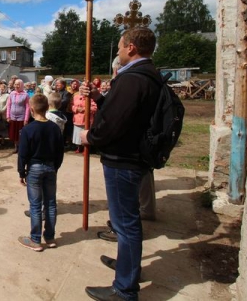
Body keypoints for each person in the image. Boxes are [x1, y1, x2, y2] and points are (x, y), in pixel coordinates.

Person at [79, 27, 161, 301]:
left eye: (120, 46)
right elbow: (122, 112)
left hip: (123, 160)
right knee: (127, 221)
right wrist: (100, 98)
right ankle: (128, 267)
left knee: (125, 224)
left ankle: (124, 289)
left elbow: (115, 123)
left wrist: (90, 136)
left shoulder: (133, 79)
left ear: (132, 48)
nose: (117, 51)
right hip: (131, 158)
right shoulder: (146, 75)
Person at [17, 94, 64, 252]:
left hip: (35, 168)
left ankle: (35, 239)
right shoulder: (54, 128)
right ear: (47, 108)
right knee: (50, 204)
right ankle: (50, 237)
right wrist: (55, 167)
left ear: (31, 109)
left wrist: (21, 172)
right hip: (50, 167)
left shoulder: (28, 129)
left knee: (36, 205)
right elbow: (60, 152)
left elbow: (22, 154)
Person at [71, 80, 97, 154]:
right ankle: (79, 147)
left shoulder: (90, 97)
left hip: (86, 119)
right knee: (78, 134)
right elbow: (71, 106)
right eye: (81, 88)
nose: (82, 90)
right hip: (77, 119)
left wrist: (84, 109)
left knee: (86, 134)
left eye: (83, 89)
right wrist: (76, 109)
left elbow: (94, 108)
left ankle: (86, 149)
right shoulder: (75, 97)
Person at [6, 79, 30, 153]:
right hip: (13, 117)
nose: (16, 86)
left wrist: (26, 119)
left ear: (22, 85)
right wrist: (8, 116)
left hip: (21, 117)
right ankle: (16, 147)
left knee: (21, 134)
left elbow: (28, 107)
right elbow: (9, 105)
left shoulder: (25, 94)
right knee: (14, 133)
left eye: (18, 84)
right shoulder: (12, 93)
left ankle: (21, 148)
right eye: (15, 84)